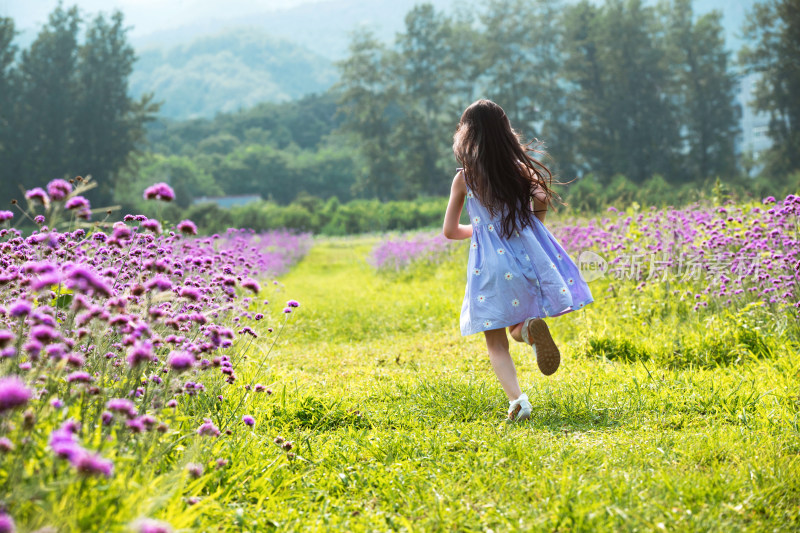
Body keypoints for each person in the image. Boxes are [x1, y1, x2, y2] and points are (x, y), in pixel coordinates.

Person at [442, 99, 594, 422]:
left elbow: (450, 231)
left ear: (466, 137)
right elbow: (541, 201)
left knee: (495, 342)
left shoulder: (464, 178)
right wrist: (528, 221)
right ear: (505, 134)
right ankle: (528, 330)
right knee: (517, 322)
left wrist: (482, 230)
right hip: (523, 260)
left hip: (489, 268)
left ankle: (519, 401)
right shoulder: (520, 171)